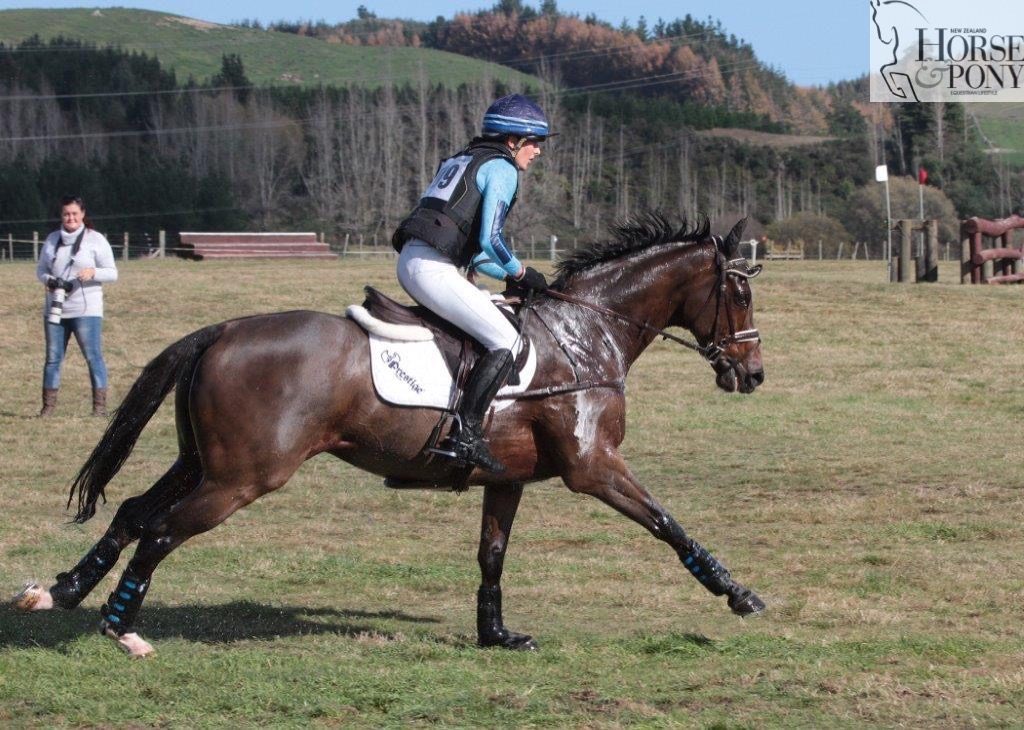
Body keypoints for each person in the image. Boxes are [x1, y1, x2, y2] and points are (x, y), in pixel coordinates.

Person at [391, 93, 553, 473]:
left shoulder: (463, 160)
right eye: (534, 143)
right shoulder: (502, 168)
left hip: (416, 261)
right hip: (431, 268)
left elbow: (476, 255)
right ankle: (464, 437)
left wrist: (514, 276)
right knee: (508, 341)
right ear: (513, 140)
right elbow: (490, 242)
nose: (538, 152)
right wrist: (520, 273)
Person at [36, 195, 118, 417]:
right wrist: (49, 281)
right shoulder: (52, 239)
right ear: (61, 216)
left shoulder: (95, 239)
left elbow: (112, 273)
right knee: (53, 358)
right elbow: (41, 269)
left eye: (74, 213)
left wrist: (93, 272)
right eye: (66, 214)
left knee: (93, 357)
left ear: (82, 214)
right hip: (55, 309)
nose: (70, 218)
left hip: (86, 310)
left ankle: (99, 409)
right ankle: (48, 408)